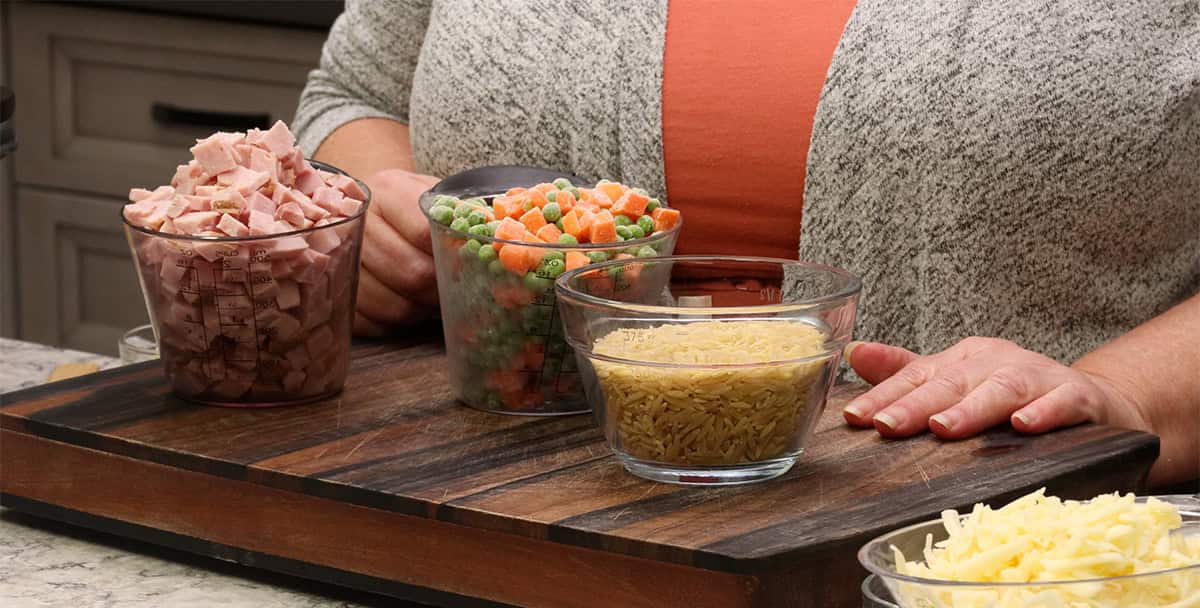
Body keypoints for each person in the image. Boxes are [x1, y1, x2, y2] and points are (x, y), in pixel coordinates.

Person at [294, 1, 1199, 488]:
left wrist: (1127, 392)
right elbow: (354, 90)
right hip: (449, 518)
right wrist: (373, 214)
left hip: (1006, 591)